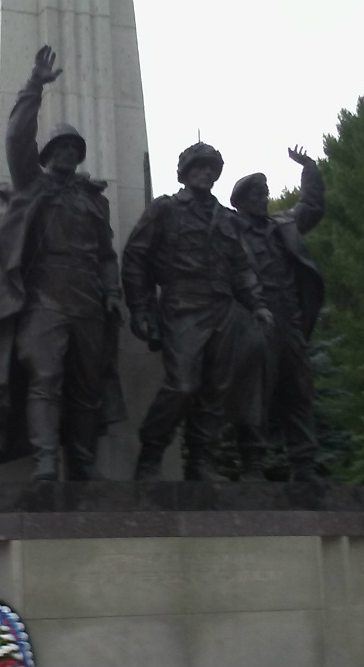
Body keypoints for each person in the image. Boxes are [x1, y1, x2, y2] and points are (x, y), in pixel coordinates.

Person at [0, 45, 125, 481]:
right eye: (60, 146)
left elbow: (107, 255)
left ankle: (82, 460)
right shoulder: (31, 185)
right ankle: (45, 460)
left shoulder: (93, 202)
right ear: (47, 153)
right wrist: (33, 86)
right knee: (45, 377)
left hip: (88, 299)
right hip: (42, 299)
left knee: (86, 384)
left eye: (74, 148)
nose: (68, 153)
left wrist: (112, 293)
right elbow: (17, 136)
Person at [122, 142, 272, 481]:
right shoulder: (166, 209)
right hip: (182, 306)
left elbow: (242, 268)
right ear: (185, 173)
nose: (204, 173)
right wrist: (141, 310)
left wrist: (258, 304)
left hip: (223, 307)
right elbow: (136, 259)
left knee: (217, 388)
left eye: (210, 168)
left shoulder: (226, 219)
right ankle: (151, 453)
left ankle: (200, 460)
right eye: (197, 167)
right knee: (183, 384)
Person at [228, 146, 325, 482]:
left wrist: (309, 168)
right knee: (257, 389)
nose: (263, 198)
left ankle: (304, 463)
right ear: (239, 201)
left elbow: (310, 206)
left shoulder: (282, 224)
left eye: (265, 193)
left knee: (298, 387)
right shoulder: (229, 229)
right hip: (254, 316)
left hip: (290, 316)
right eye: (256, 194)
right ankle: (253, 464)